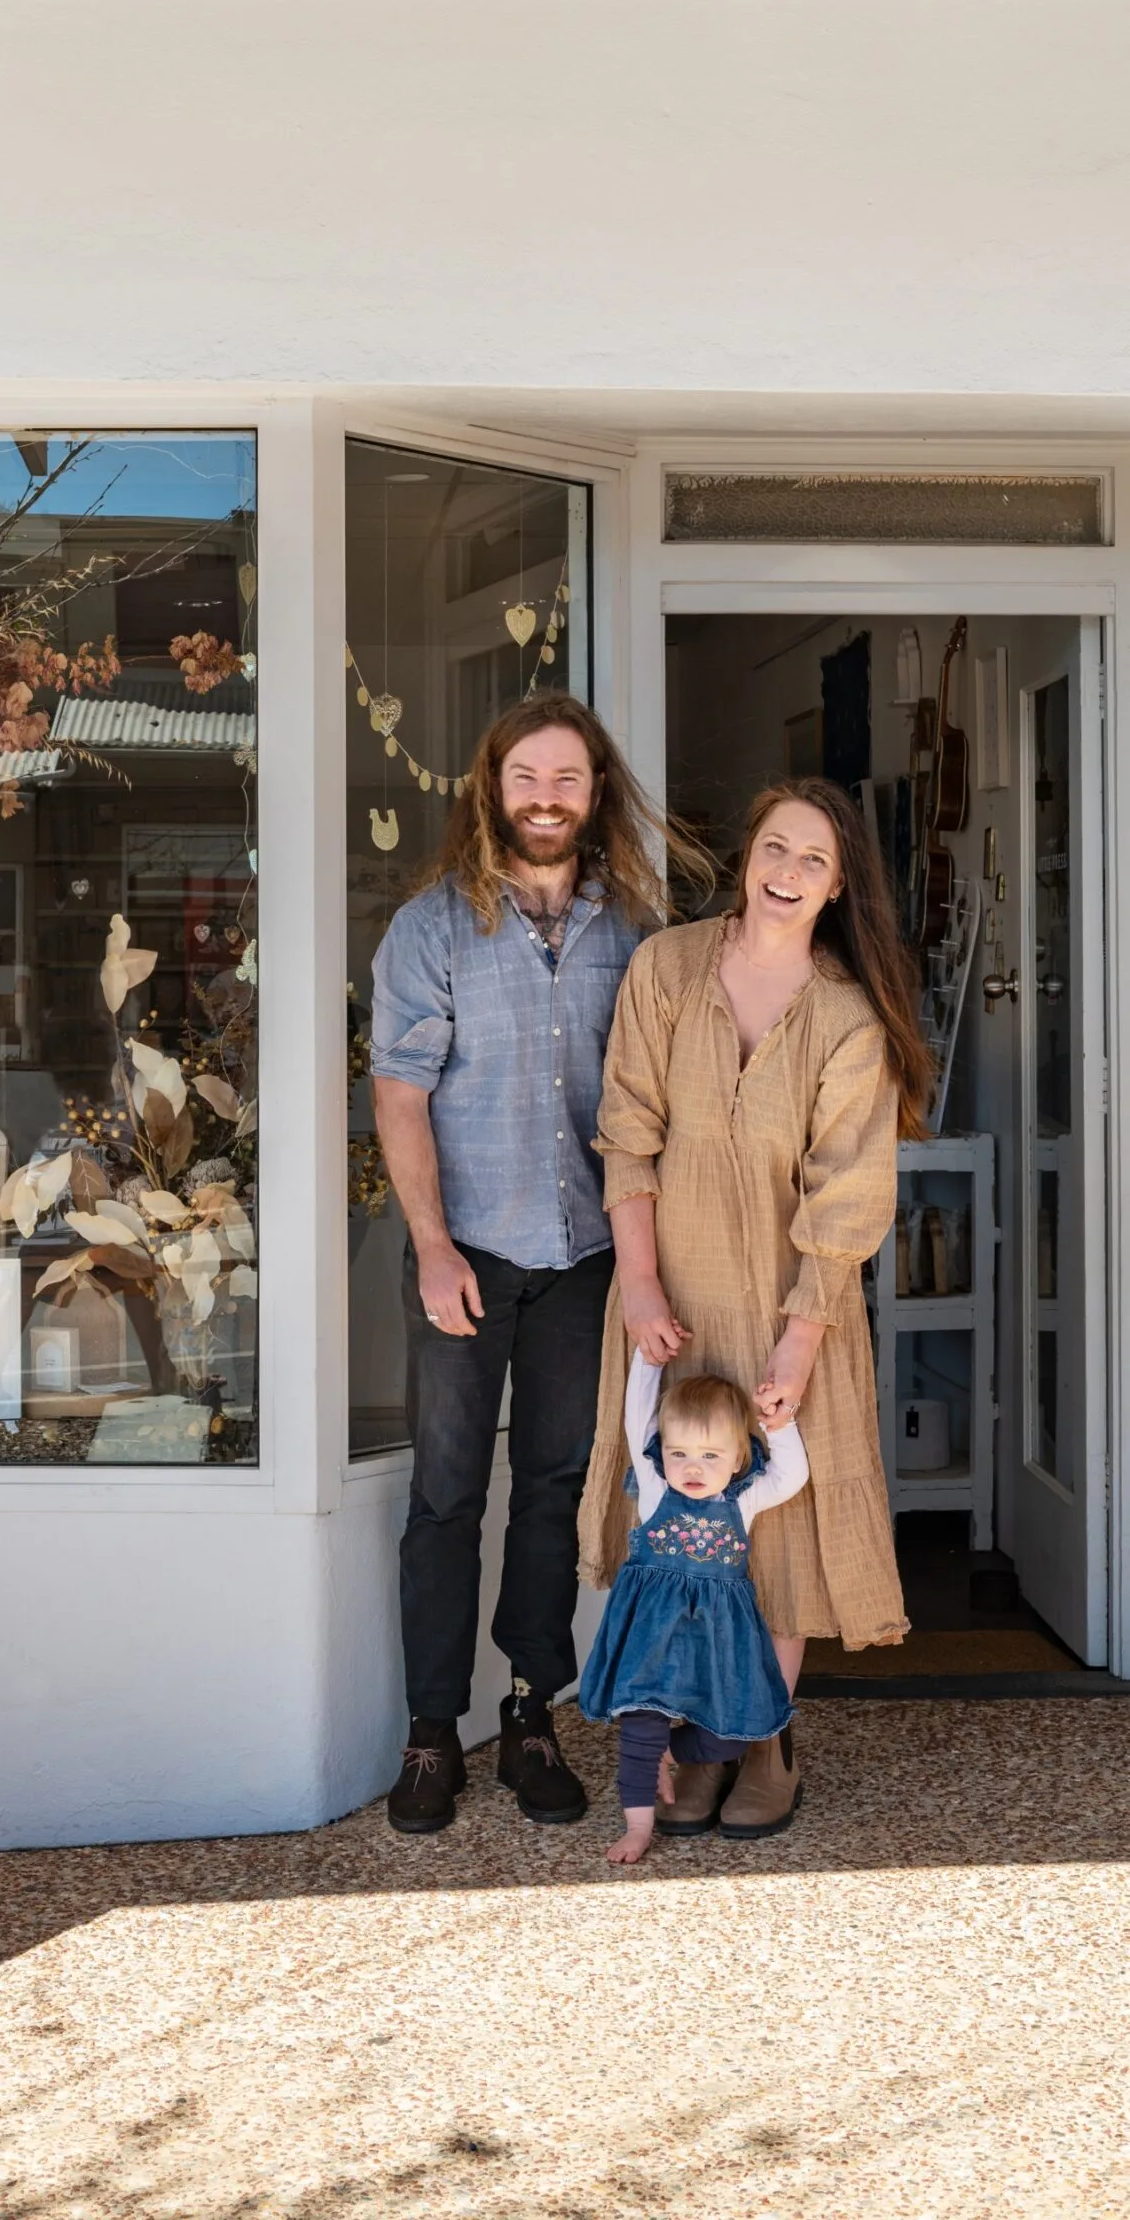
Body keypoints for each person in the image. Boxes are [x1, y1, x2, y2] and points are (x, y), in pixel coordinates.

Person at [372, 692, 711, 1835]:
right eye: (525, 776)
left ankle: (527, 1716)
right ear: (491, 787)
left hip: (584, 1260)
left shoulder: (641, 933)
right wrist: (427, 1247)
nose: (545, 797)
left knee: (555, 1490)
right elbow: (399, 1096)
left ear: (595, 791)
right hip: (464, 1249)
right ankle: (427, 1736)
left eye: (566, 778)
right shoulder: (428, 928)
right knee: (444, 1494)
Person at [580, 777, 933, 1838]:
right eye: (773, 848)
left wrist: (796, 1345)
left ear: (837, 887)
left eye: (812, 860)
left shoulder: (844, 1015)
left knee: (771, 1539)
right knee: (673, 1530)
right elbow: (626, 1129)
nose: (785, 873)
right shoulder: (665, 969)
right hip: (672, 1299)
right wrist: (638, 1282)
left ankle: (764, 1743)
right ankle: (687, 1736)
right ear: (745, 855)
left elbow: (847, 1192)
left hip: (793, 1311)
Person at [579, 1357, 809, 1864]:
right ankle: (638, 1826)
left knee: (727, 1739)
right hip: (651, 1636)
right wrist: (644, 1360)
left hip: (716, 1640)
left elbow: (792, 1475)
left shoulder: (743, 1498)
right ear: (661, 1451)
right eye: (678, 1452)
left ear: (737, 1459)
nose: (692, 1468)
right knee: (641, 1725)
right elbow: (637, 1415)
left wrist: (782, 1423)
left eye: (710, 1455)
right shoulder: (657, 1487)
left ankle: (672, 1752)